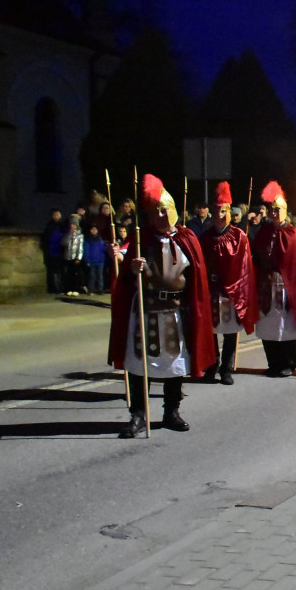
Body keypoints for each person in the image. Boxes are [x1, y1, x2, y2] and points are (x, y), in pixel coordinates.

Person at [108, 174, 215, 439]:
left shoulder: (188, 238)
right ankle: (138, 415)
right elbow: (125, 279)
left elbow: (197, 280)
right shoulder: (141, 238)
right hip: (145, 309)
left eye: (165, 209)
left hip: (175, 311)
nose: (161, 215)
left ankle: (171, 412)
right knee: (138, 365)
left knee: (174, 364)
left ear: (174, 210)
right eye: (156, 211)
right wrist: (132, 269)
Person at [198, 182, 258, 385]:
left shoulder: (239, 236)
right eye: (217, 210)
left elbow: (244, 265)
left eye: (224, 210)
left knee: (230, 333)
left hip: (231, 292)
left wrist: (239, 289)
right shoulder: (205, 238)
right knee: (211, 331)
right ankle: (211, 366)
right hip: (211, 292)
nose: (221, 214)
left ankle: (226, 369)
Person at [252, 181, 296, 377]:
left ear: (283, 210)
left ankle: (288, 363)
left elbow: (294, 263)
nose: (273, 213)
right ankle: (273, 363)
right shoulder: (264, 232)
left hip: (285, 286)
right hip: (265, 286)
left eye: (277, 209)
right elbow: (257, 255)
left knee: (285, 327)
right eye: (271, 209)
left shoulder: (293, 233)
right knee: (267, 326)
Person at [41, 208, 66, 294]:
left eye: (58, 214)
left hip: (61, 252)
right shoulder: (49, 227)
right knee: (53, 272)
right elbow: (45, 240)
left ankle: (61, 288)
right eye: (55, 215)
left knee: (61, 272)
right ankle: (54, 289)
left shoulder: (63, 226)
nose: (57, 216)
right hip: (52, 253)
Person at [62, 215, 86, 296]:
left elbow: (80, 248)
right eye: (71, 224)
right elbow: (63, 243)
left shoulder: (80, 235)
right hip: (68, 257)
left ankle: (76, 289)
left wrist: (78, 258)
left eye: (74, 224)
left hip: (75, 258)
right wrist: (69, 235)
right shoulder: (67, 234)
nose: (72, 226)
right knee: (68, 274)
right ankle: (68, 289)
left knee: (76, 274)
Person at [83, 223, 108, 295]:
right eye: (92, 229)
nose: (94, 231)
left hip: (100, 261)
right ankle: (91, 289)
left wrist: (107, 246)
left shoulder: (100, 239)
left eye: (95, 229)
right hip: (92, 261)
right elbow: (86, 250)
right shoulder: (88, 240)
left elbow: (103, 249)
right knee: (92, 276)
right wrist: (87, 260)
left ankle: (100, 289)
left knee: (100, 276)